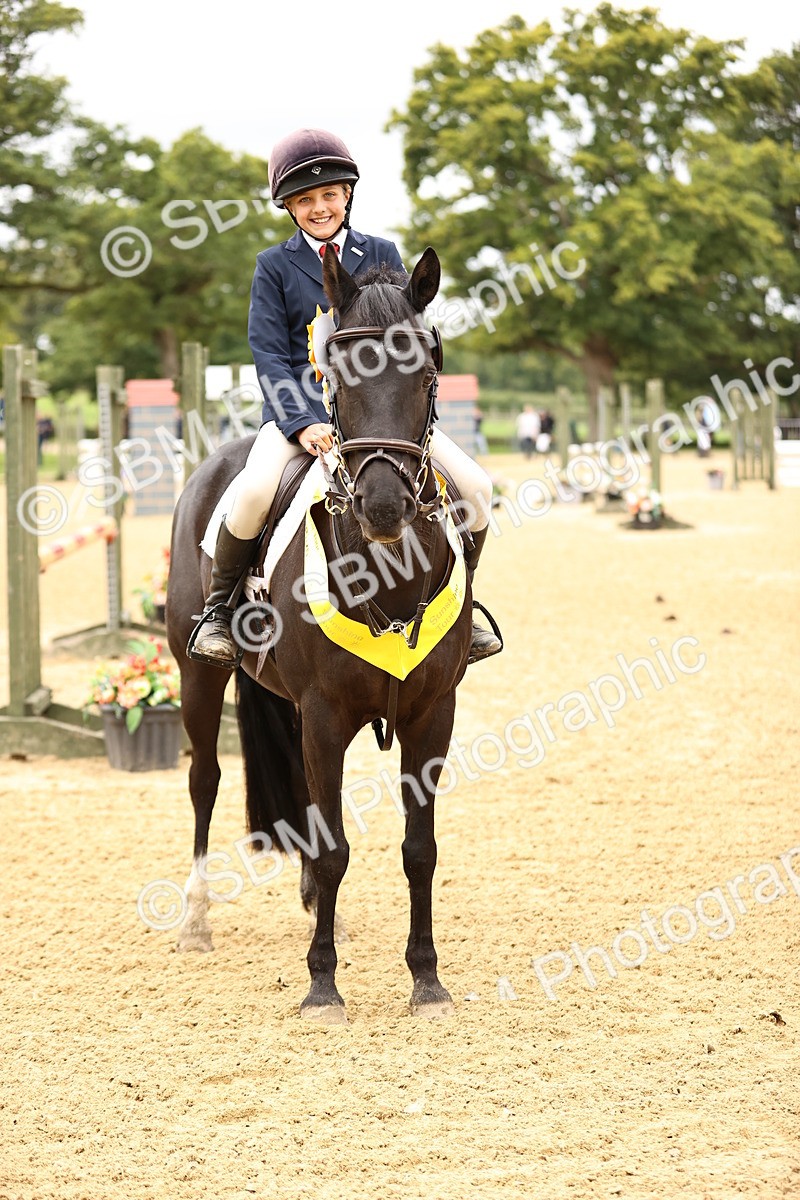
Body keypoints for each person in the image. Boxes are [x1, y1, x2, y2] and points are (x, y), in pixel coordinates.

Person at [189, 128, 501, 668]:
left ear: (347, 195)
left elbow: (407, 348)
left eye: (329, 195)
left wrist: (409, 415)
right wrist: (303, 423)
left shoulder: (381, 253)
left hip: (382, 415)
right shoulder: (274, 266)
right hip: (303, 417)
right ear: (289, 207)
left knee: (476, 485)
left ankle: (463, 604)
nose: (319, 208)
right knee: (254, 490)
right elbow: (270, 355)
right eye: (305, 200)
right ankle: (218, 610)